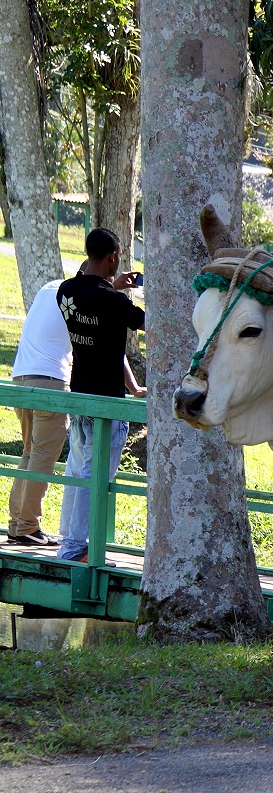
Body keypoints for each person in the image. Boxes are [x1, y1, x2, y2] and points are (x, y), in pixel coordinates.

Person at [56, 228, 146, 563]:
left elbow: (87, 287)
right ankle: (76, 549)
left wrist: (112, 285)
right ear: (113, 258)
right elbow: (152, 323)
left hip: (79, 397)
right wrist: (122, 291)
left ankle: (70, 542)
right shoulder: (113, 302)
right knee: (94, 479)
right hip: (107, 403)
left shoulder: (66, 292)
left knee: (77, 471)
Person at [6, 279, 72, 546]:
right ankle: (28, 526)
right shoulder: (82, 297)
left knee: (30, 453)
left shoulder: (50, 288)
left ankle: (17, 524)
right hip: (50, 381)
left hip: (20, 378)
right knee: (43, 457)